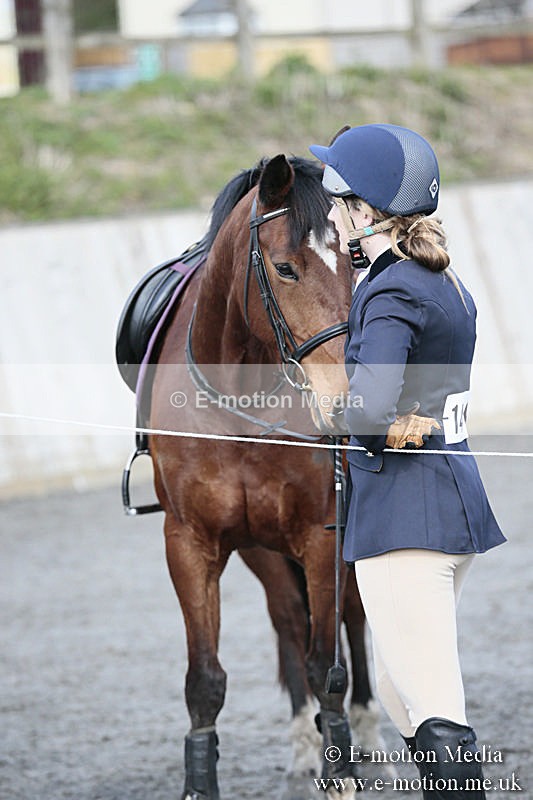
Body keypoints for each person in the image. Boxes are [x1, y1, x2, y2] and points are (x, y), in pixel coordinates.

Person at [309, 123, 506, 799]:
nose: (330, 215)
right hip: (449, 502)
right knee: (398, 689)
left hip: (405, 522)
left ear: (366, 213)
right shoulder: (442, 279)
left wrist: (318, 411)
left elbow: (367, 411)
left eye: (337, 203)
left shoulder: (388, 291)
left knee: (433, 709)